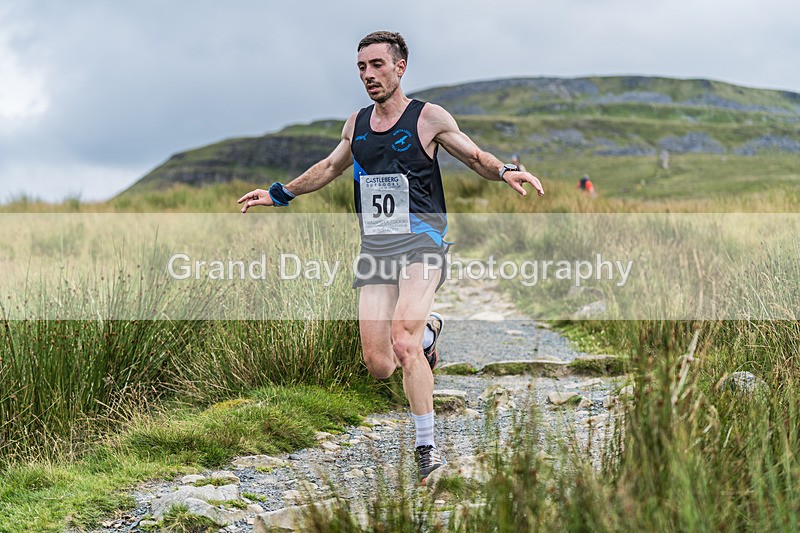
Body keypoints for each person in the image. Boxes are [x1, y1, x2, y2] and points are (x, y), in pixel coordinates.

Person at [238, 31, 544, 484]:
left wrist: (504, 171)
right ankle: (428, 333)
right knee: (379, 364)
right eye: (362, 67)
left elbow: (474, 156)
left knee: (402, 340)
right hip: (377, 249)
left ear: (400, 67)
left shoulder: (428, 118)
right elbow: (329, 167)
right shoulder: (356, 124)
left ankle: (426, 448)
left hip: (423, 243)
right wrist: (279, 194)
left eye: (377, 65)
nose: (368, 75)